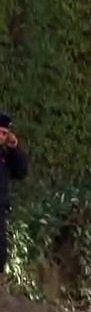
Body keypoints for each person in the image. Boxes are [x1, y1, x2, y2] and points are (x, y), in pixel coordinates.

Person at [0, 113, 28, 286]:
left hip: (1, 210)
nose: (2, 137)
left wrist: (15, 148)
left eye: (4, 134)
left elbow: (21, 171)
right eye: (0, 133)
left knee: (0, 253)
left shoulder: (5, 155)